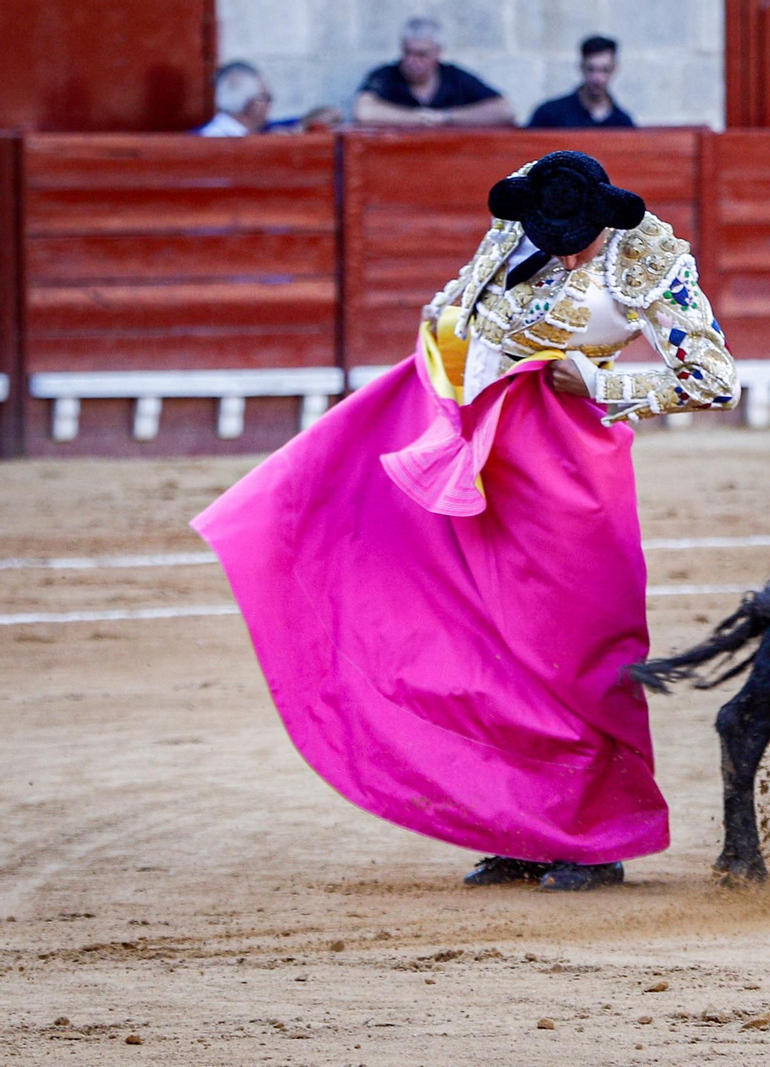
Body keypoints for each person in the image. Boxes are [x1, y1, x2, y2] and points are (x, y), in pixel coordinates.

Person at [192, 151, 735, 893]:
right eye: (554, 235)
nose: (567, 250)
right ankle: (517, 827)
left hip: (567, 465)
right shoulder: (516, 232)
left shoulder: (649, 261)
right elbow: (454, 307)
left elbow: (713, 378)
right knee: (483, 653)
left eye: (579, 238)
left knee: (575, 648)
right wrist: (442, 352)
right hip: (474, 460)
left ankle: (596, 837)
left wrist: (602, 379)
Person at [354, 17, 516, 128]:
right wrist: (420, 118)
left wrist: (447, 117)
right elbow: (364, 112)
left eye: (421, 54)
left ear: (438, 53)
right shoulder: (385, 75)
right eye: (407, 52)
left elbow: (504, 110)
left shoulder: (455, 77)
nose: (412, 61)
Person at [527, 35, 635, 128]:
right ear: (581, 67)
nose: (597, 78)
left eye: (604, 70)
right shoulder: (549, 114)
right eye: (591, 69)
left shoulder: (622, 123)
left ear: (614, 69)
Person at [197, 62, 273, 136]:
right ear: (252, 103)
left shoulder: (205, 136)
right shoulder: (213, 140)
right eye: (266, 97)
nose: (269, 104)